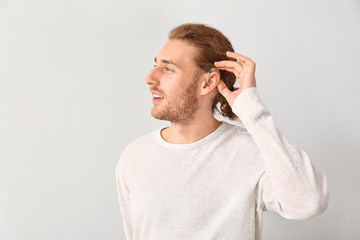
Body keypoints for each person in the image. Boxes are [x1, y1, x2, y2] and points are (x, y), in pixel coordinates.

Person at [115, 23, 329, 240]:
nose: (150, 78)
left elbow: (309, 203)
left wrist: (251, 110)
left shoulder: (252, 152)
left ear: (208, 83)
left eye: (168, 69)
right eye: (155, 65)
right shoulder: (135, 156)